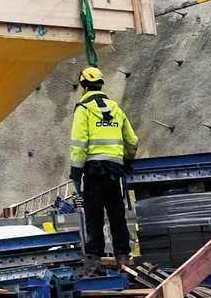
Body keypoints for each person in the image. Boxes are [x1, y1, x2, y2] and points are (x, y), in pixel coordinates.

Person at [69, 66, 138, 274]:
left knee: (94, 216)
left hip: (93, 172)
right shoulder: (116, 108)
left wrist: (75, 171)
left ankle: (93, 262)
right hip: (115, 172)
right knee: (117, 216)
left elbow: (79, 144)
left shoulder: (83, 109)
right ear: (101, 84)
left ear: (83, 86)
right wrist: (126, 161)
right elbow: (132, 141)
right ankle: (123, 259)